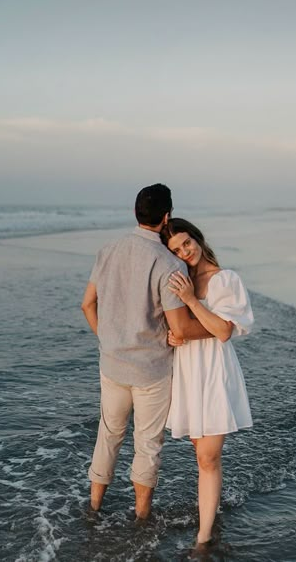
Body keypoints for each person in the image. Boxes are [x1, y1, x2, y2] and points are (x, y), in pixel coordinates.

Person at [81, 185, 211, 520]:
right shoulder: (169, 264)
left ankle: (94, 506)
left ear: (136, 213)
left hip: (112, 365)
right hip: (151, 371)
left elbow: (87, 304)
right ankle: (141, 518)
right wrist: (220, 327)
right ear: (166, 217)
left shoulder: (108, 249)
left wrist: (109, 341)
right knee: (147, 444)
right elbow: (180, 329)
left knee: (108, 435)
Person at [160, 217, 254, 546]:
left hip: (214, 370)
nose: (185, 252)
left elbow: (224, 330)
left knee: (208, 457)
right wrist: (173, 336)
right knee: (202, 454)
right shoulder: (180, 279)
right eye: (176, 249)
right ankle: (211, 510)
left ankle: (203, 537)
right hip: (187, 369)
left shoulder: (224, 279)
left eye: (187, 243)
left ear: (197, 238)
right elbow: (181, 326)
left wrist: (190, 301)